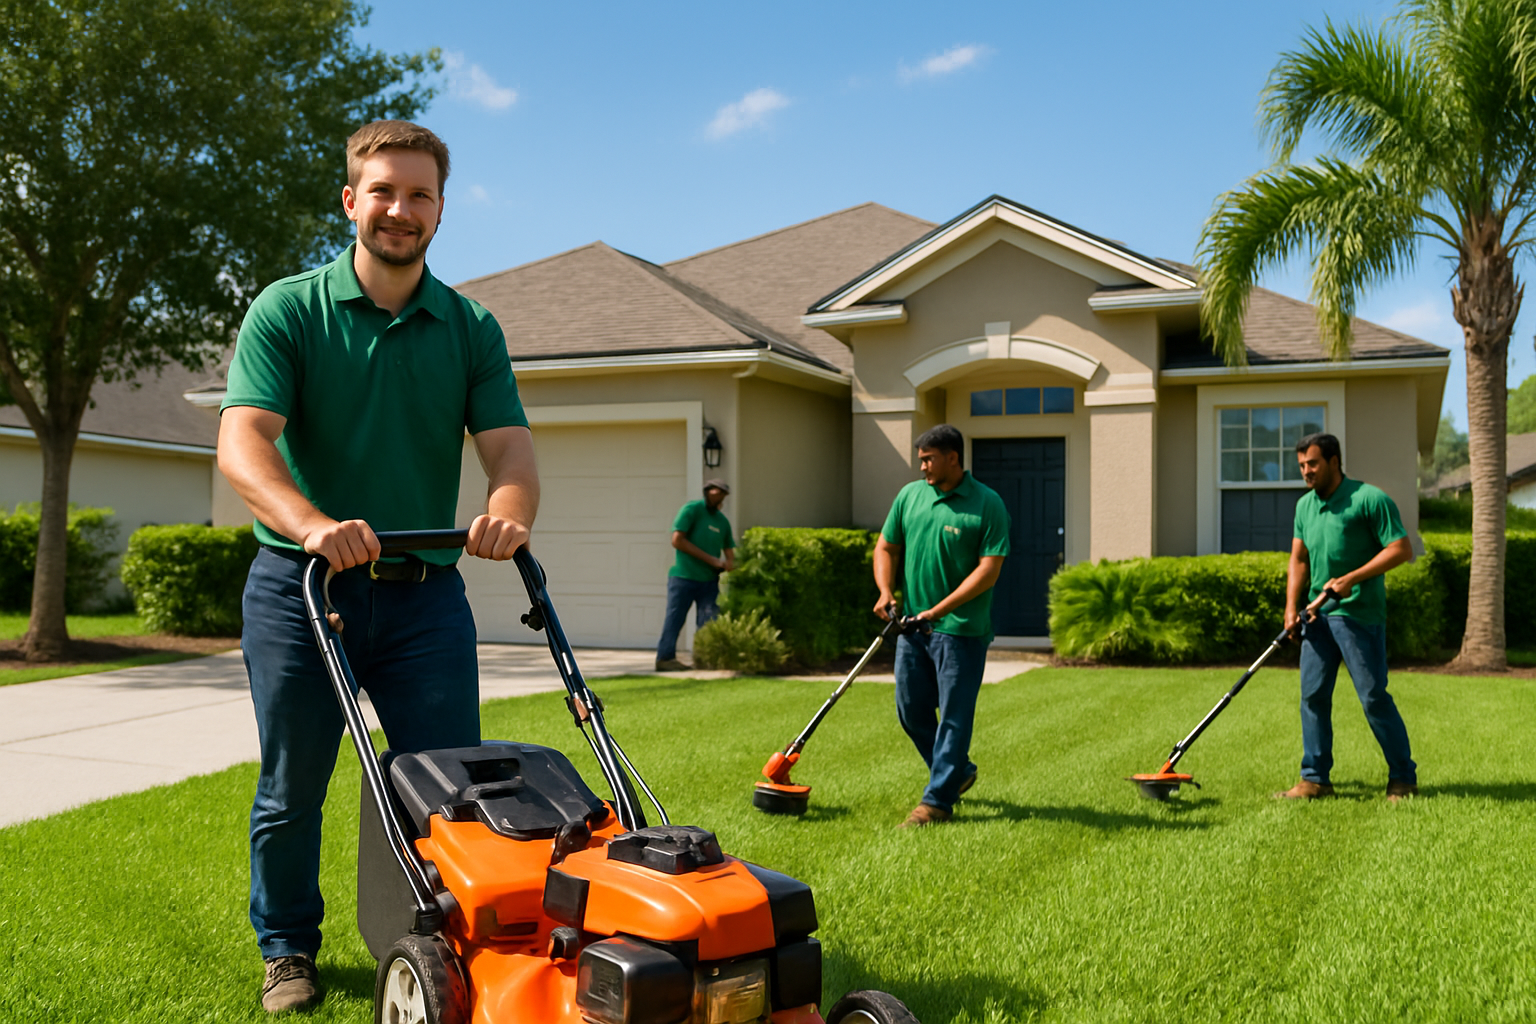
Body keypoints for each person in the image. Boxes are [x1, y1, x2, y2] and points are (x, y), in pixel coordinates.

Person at [217, 120, 538, 1014]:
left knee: (448, 789)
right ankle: (288, 951)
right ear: (351, 199)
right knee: (294, 786)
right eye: (385, 191)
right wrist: (314, 525)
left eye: (420, 195)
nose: (401, 210)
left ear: (441, 209)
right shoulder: (290, 309)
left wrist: (506, 518)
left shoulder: (468, 326)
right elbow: (244, 445)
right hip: (303, 592)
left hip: (426, 597)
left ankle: (438, 944)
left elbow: (510, 453)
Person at [873, 424, 1010, 827]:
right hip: (913, 626)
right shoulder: (910, 496)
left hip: (962, 628)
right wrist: (885, 590)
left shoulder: (987, 504)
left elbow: (988, 570)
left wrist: (939, 609)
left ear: (953, 457)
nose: (923, 467)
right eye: (920, 459)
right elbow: (886, 546)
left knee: (954, 715)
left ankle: (936, 802)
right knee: (911, 710)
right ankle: (956, 772)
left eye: (929, 459)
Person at [1279, 432, 1417, 802]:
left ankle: (1403, 777)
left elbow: (1401, 549)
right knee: (1312, 696)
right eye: (1302, 466)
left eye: (1313, 464)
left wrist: (1352, 578)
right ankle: (1315, 778)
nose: (1306, 471)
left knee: (1372, 696)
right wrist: (1292, 607)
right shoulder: (1304, 507)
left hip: (1358, 614)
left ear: (1334, 461)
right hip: (1316, 616)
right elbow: (1299, 558)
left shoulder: (1369, 499)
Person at [655, 479, 735, 671]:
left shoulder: (722, 521)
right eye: (715, 492)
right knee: (675, 618)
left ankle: (705, 659)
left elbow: (729, 550)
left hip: (708, 581)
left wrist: (729, 563)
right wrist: (712, 560)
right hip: (683, 577)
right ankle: (665, 659)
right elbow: (677, 540)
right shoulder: (692, 510)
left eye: (722, 494)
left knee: (708, 621)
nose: (718, 496)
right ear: (707, 492)